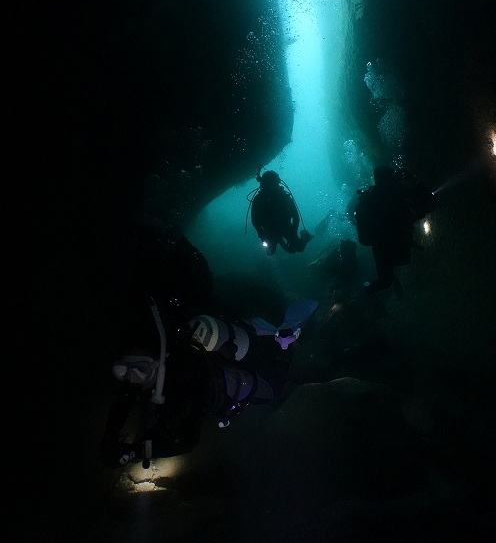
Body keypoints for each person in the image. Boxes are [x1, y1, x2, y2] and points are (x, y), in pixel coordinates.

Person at [98, 297, 318, 468]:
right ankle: (258, 330)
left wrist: (136, 453)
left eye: (140, 372)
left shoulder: (189, 377)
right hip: (210, 359)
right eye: (122, 371)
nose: (131, 380)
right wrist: (110, 436)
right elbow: (125, 399)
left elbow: (187, 440)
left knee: (271, 392)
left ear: (158, 363)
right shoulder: (145, 367)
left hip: (220, 381)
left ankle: (285, 345)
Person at [355, 165, 435, 297]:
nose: (396, 179)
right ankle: (367, 292)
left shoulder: (386, 194)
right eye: (392, 177)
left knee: (389, 276)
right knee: (387, 279)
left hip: (386, 241)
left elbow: (428, 201)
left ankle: (370, 289)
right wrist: (414, 182)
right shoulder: (388, 195)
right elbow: (428, 201)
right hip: (385, 242)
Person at [249, 170, 313, 256]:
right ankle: (279, 239)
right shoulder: (260, 199)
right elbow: (254, 220)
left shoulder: (282, 197)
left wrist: (293, 232)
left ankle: (304, 237)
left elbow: (295, 217)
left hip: (284, 227)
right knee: (270, 252)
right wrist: (261, 233)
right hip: (269, 230)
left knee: (298, 249)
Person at [308, 239, 359, 303]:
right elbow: (326, 265)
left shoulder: (352, 260)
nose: (340, 250)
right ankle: (318, 261)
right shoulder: (336, 252)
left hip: (341, 276)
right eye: (340, 248)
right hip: (333, 272)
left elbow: (352, 274)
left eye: (341, 248)